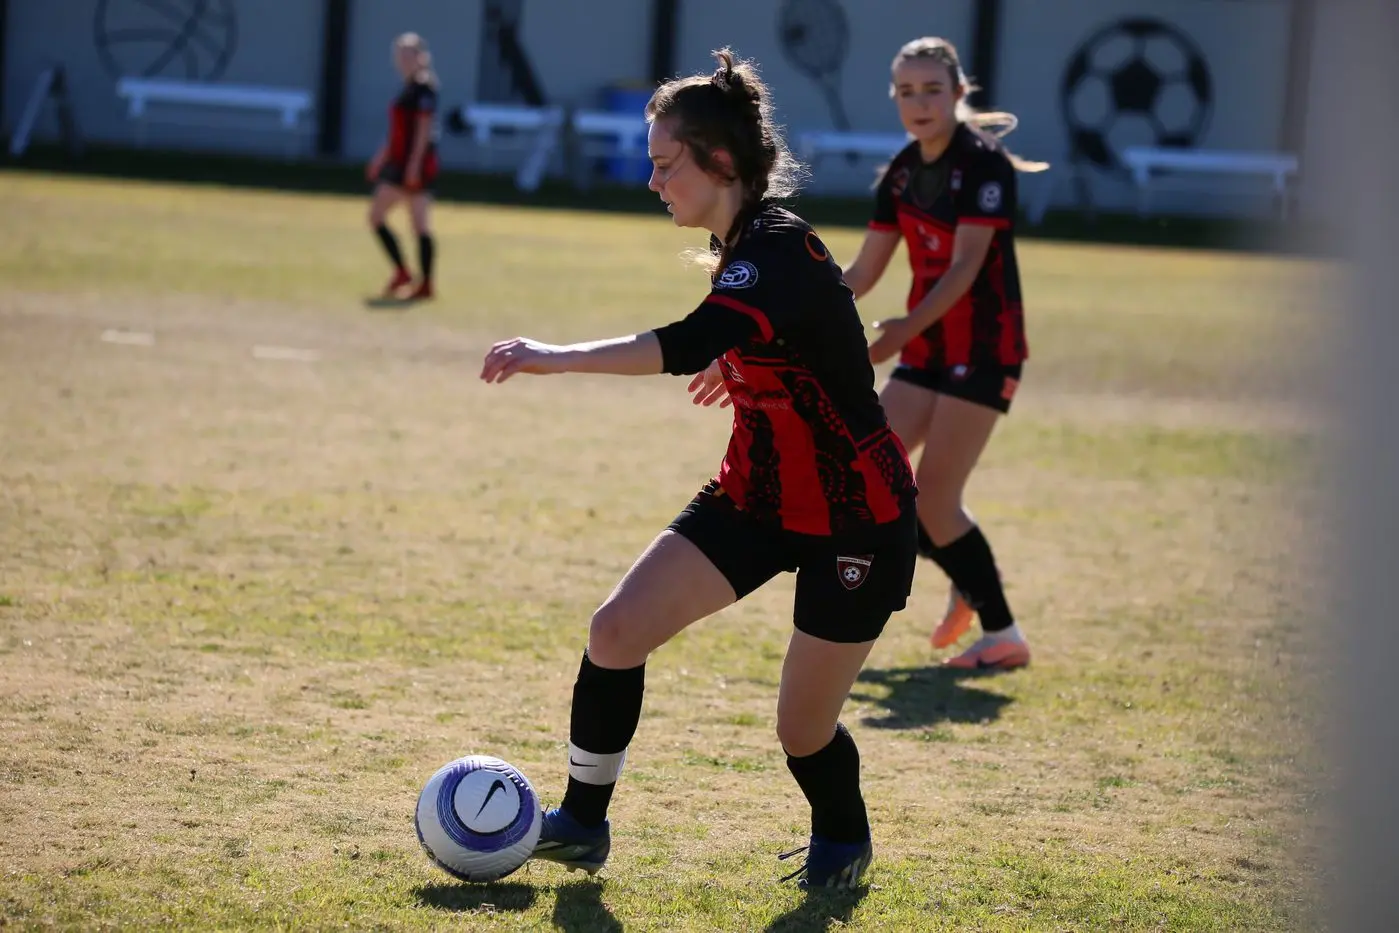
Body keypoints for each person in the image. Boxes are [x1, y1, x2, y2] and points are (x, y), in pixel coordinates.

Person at [479, 49, 918, 890]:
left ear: (718, 162)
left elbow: (688, 340)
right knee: (616, 631)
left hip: (855, 517)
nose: (653, 182)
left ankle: (842, 837)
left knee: (801, 728)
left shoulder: (776, 246)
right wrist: (742, 353)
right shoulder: (740, 246)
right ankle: (581, 823)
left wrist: (553, 355)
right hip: (755, 497)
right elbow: (767, 331)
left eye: (664, 163)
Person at [840, 37, 1048, 671]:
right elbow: (864, 272)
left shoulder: (983, 165)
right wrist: (790, 302)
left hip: (984, 349)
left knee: (934, 498)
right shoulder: (902, 172)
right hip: (928, 349)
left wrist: (902, 330)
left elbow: (965, 268)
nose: (919, 102)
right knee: (862, 471)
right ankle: (965, 567)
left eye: (933, 90)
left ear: (959, 93)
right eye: (907, 92)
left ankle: (1003, 634)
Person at [366, 32, 440, 301]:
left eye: (408, 54)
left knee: (389, 219)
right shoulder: (408, 88)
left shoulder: (423, 89)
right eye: (400, 55)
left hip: (410, 165)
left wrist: (413, 166)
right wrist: (380, 157)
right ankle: (411, 276)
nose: (403, 60)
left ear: (420, 57)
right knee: (406, 222)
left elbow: (423, 131)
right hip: (399, 162)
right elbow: (397, 131)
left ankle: (413, 277)